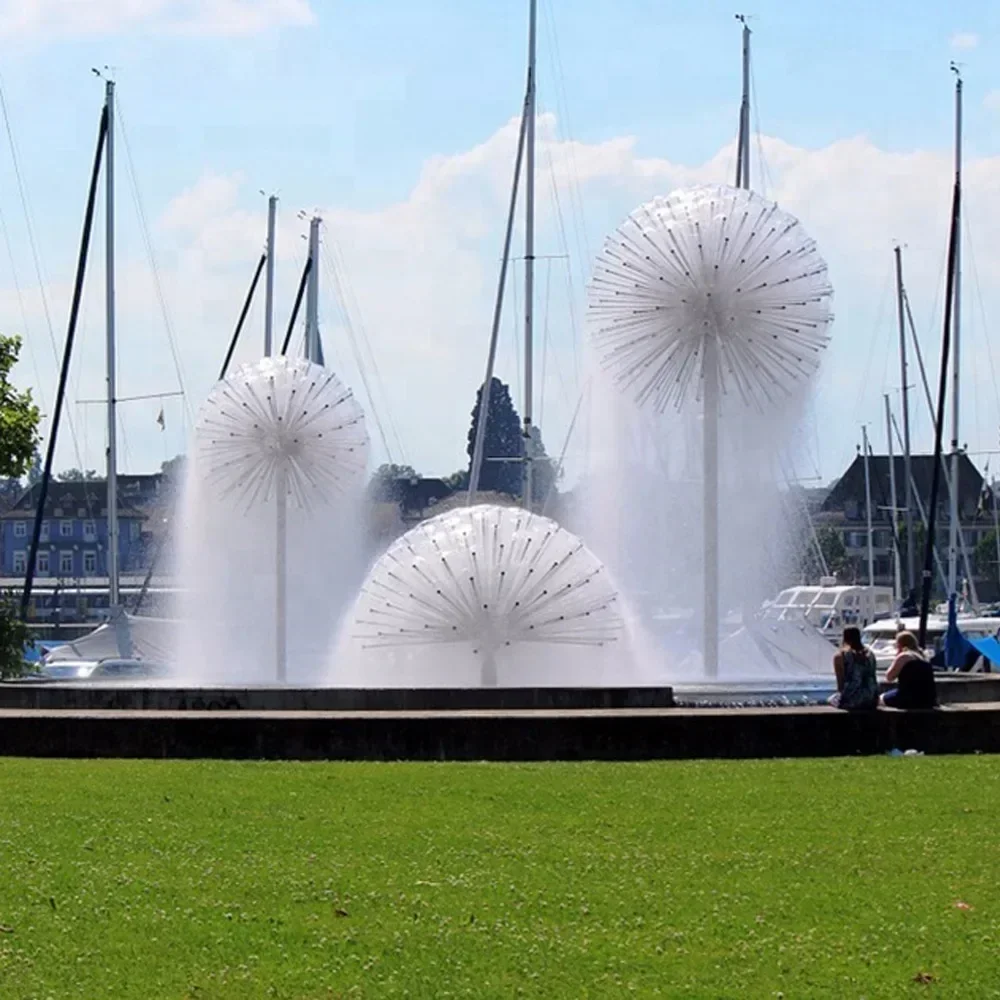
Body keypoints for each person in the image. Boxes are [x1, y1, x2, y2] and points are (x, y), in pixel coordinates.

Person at [881, 630, 937, 709]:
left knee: (880, 698)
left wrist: (897, 657)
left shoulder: (905, 656)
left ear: (900, 644)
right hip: (928, 699)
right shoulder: (923, 656)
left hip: (908, 699)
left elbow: (889, 677)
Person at [829, 626, 878, 710]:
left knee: (831, 699)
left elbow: (840, 684)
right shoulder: (870, 655)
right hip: (872, 699)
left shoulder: (841, 656)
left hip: (853, 701)